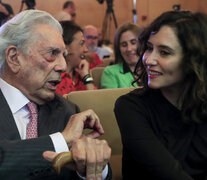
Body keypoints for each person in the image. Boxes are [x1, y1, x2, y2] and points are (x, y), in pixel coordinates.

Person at [0, 10, 112, 180]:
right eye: (52, 53)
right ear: (14, 58)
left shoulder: (68, 110)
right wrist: (60, 141)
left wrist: (93, 164)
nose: (61, 65)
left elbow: (102, 173)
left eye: (64, 55)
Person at [114, 10, 207, 180]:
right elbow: (168, 174)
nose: (148, 60)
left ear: (193, 60)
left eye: (164, 52)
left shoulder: (202, 105)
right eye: (149, 48)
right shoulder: (130, 107)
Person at [55, 21, 101, 96]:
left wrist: (86, 76)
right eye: (81, 43)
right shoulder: (55, 79)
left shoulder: (81, 75)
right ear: (66, 47)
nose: (86, 50)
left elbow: (96, 102)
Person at [101, 22, 141, 89]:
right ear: (118, 49)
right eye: (124, 45)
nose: (129, 49)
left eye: (133, 43)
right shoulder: (110, 73)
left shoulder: (152, 70)